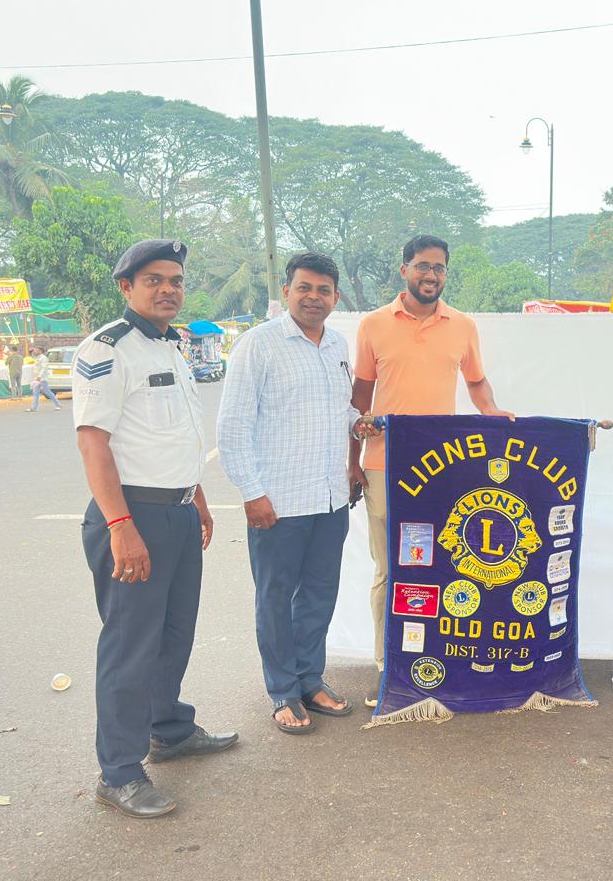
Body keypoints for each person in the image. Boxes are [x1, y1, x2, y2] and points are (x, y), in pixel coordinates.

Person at [72, 239, 236, 819]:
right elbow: (94, 441)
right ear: (126, 287)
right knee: (129, 646)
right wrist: (120, 525)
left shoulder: (175, 346)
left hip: (178, 511)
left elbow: (178, 438)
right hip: (133, 516)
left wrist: (199, 499)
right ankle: (117, 772)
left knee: (173, 634)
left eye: (176, 280)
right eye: (153, 280)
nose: (168, 288)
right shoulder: (109, 350)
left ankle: (169, 728)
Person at [218, 252, 382, 735]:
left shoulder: (335, 344)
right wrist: (252, 493)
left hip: (330, 498)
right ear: (287, 291)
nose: (314, 297)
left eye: (324, 290)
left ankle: (311, 678)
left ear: (335, 297)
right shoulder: (258, 345)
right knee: (275, 596)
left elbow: (340, 412)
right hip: (278, 502)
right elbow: (232, 427)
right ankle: (283, 689)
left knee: (318, 594)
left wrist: (361, 423)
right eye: (305, 288)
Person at [350, 234, 513, 707]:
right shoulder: (373, 325)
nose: (431, 275)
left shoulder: (461, 326)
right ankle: (388, 669)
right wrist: (352, 462)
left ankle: (433, 661)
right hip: (384, 466)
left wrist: (494, 413)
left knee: (440, 566)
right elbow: (359, 401)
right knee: (390, 570)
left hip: (442, 470)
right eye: (422, 266)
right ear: (404, 270)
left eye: (439, 268)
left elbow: (477, 381)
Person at [27, 347, 61, 412]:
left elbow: (44, 368)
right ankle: (33, 408)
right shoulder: (37, 357)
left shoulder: (44, 358)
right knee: (35, 393)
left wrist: (40, 376)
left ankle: (58, 404)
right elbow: (32, 357)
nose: (34, 351)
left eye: (36, 350)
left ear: (40, 351)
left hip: (42, 378)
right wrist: (30, 351)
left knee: (47, 392)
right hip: (36, 379)